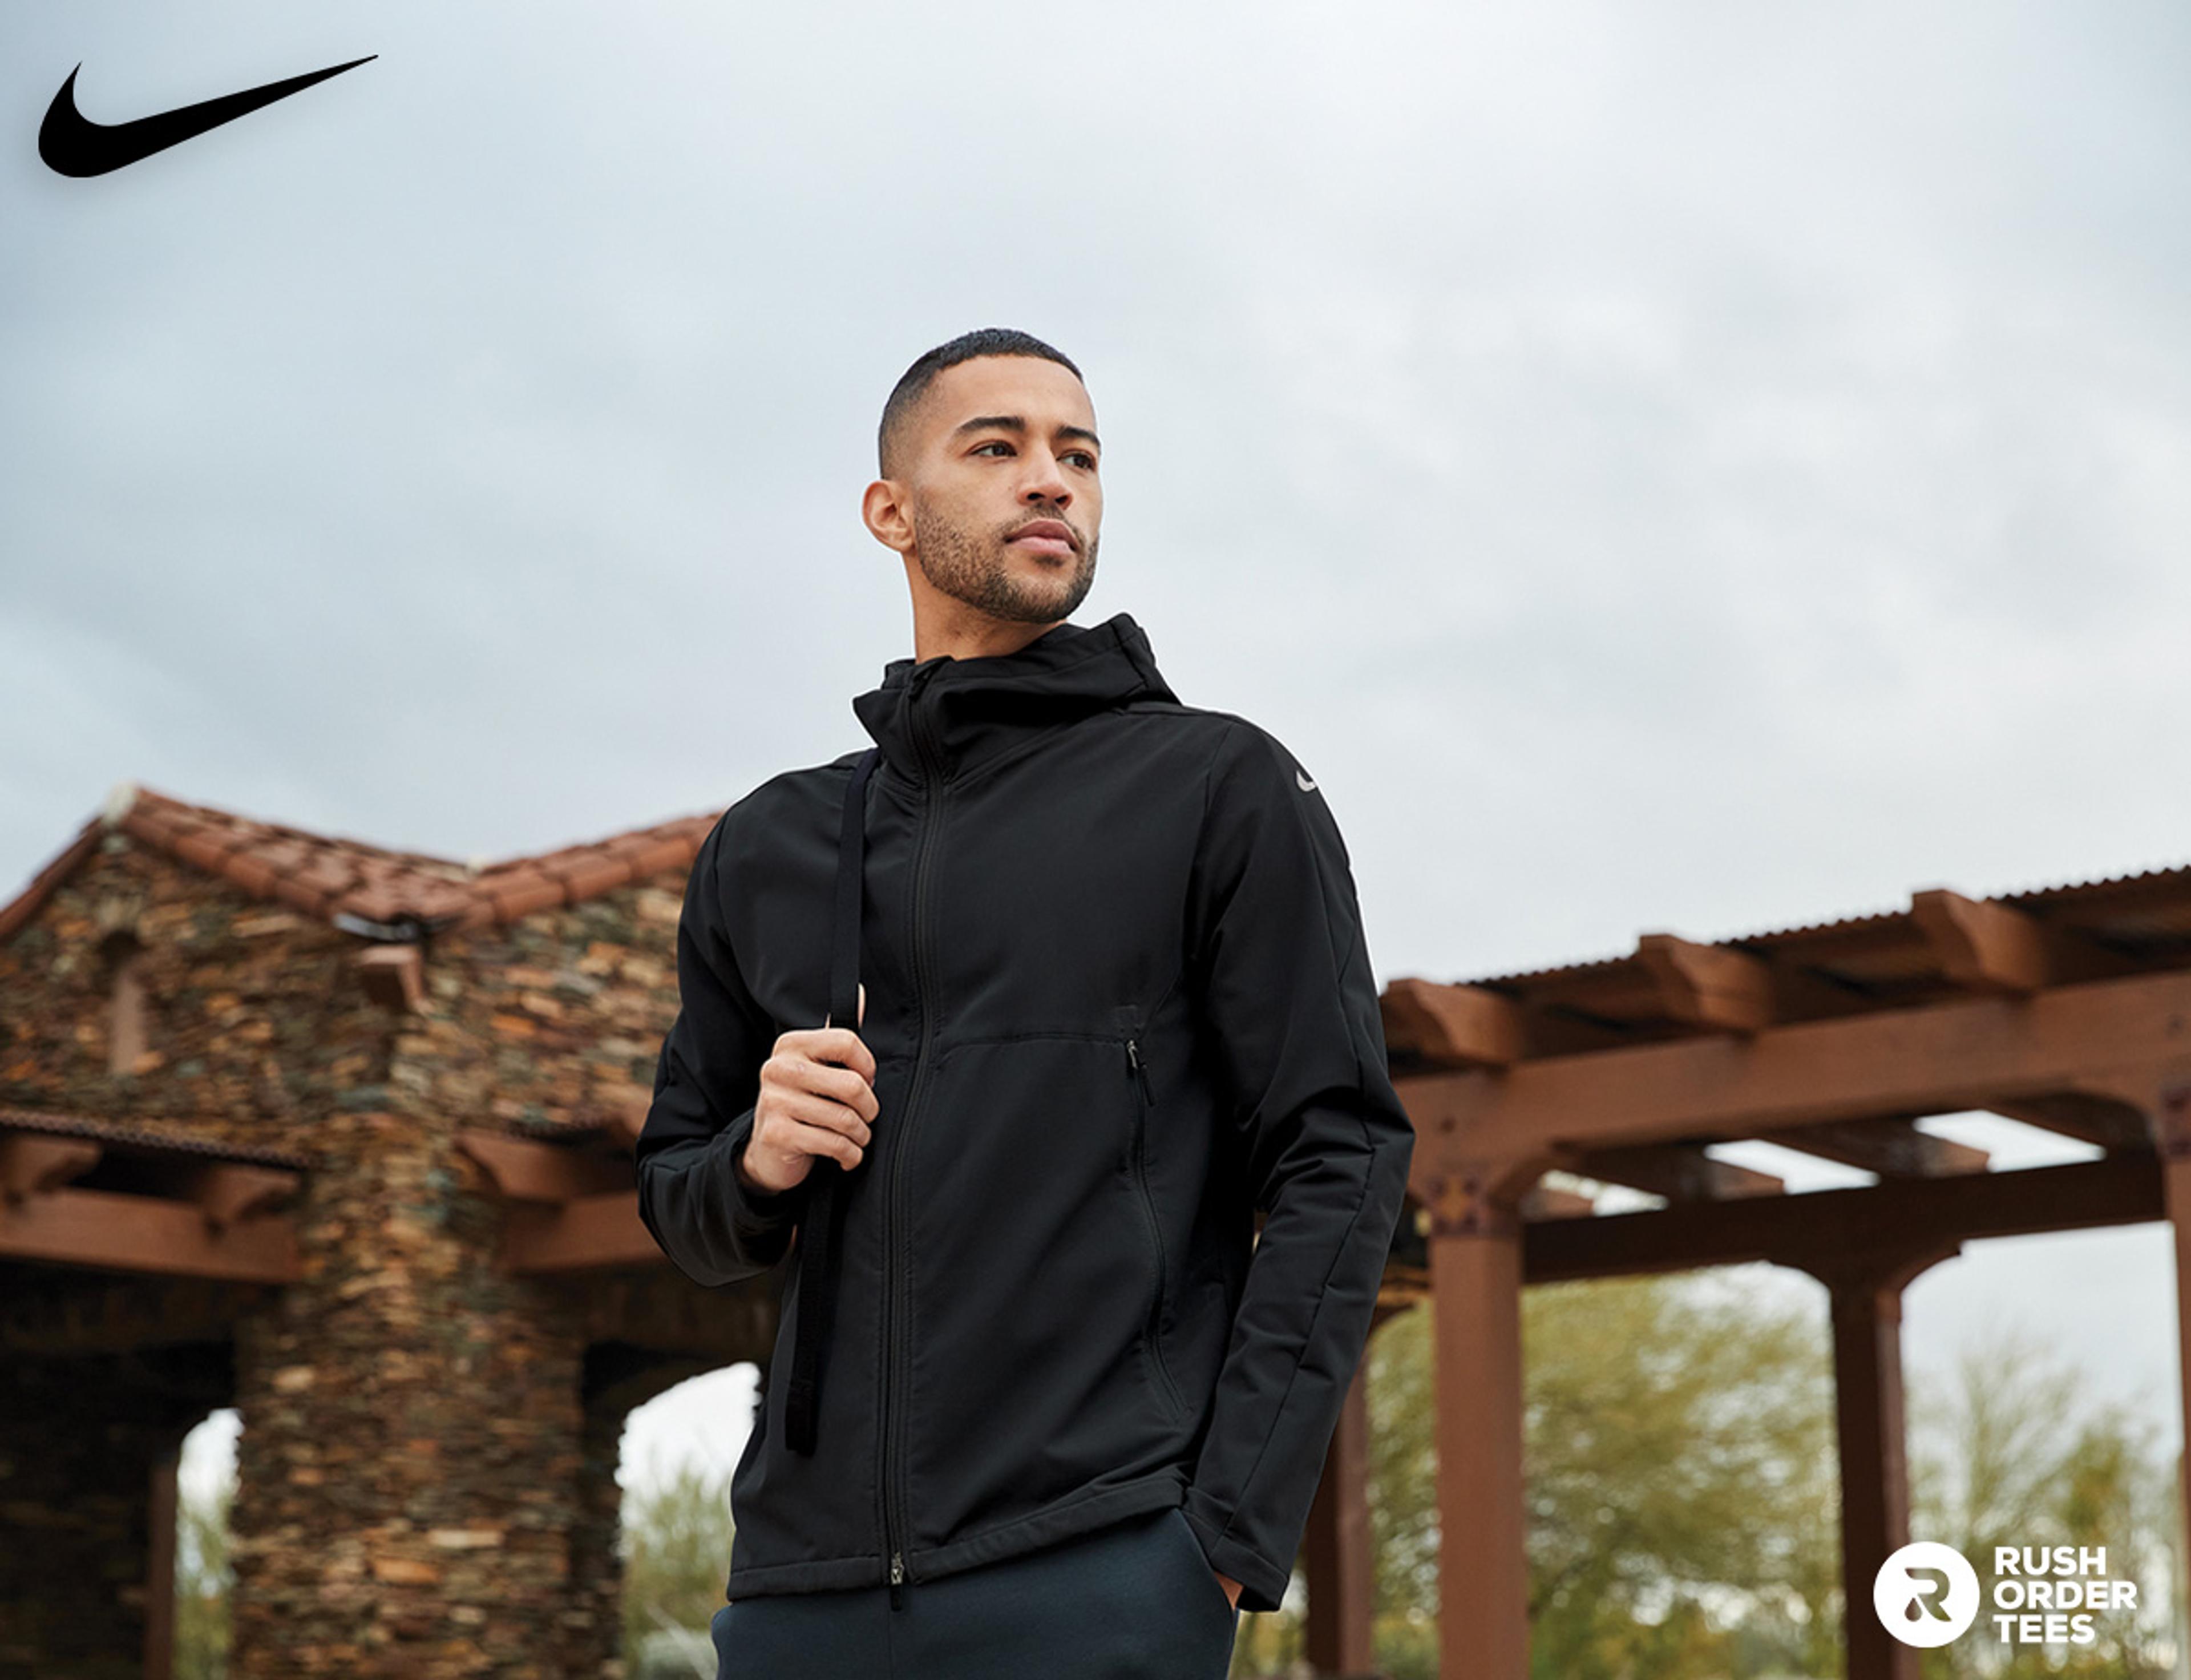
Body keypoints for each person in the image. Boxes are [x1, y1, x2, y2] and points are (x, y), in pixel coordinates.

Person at [635, 327, 1416, 1679]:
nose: (1051, 478)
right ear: (891, 511)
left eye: (1080, 455)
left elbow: (1339, 1154)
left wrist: (1223, 1532)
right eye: (996, 446)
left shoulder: (1218, 788)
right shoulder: (772, 845)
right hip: (803, 1593)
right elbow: (679, 1200)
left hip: (1102, 1561)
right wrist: (756, 1161)